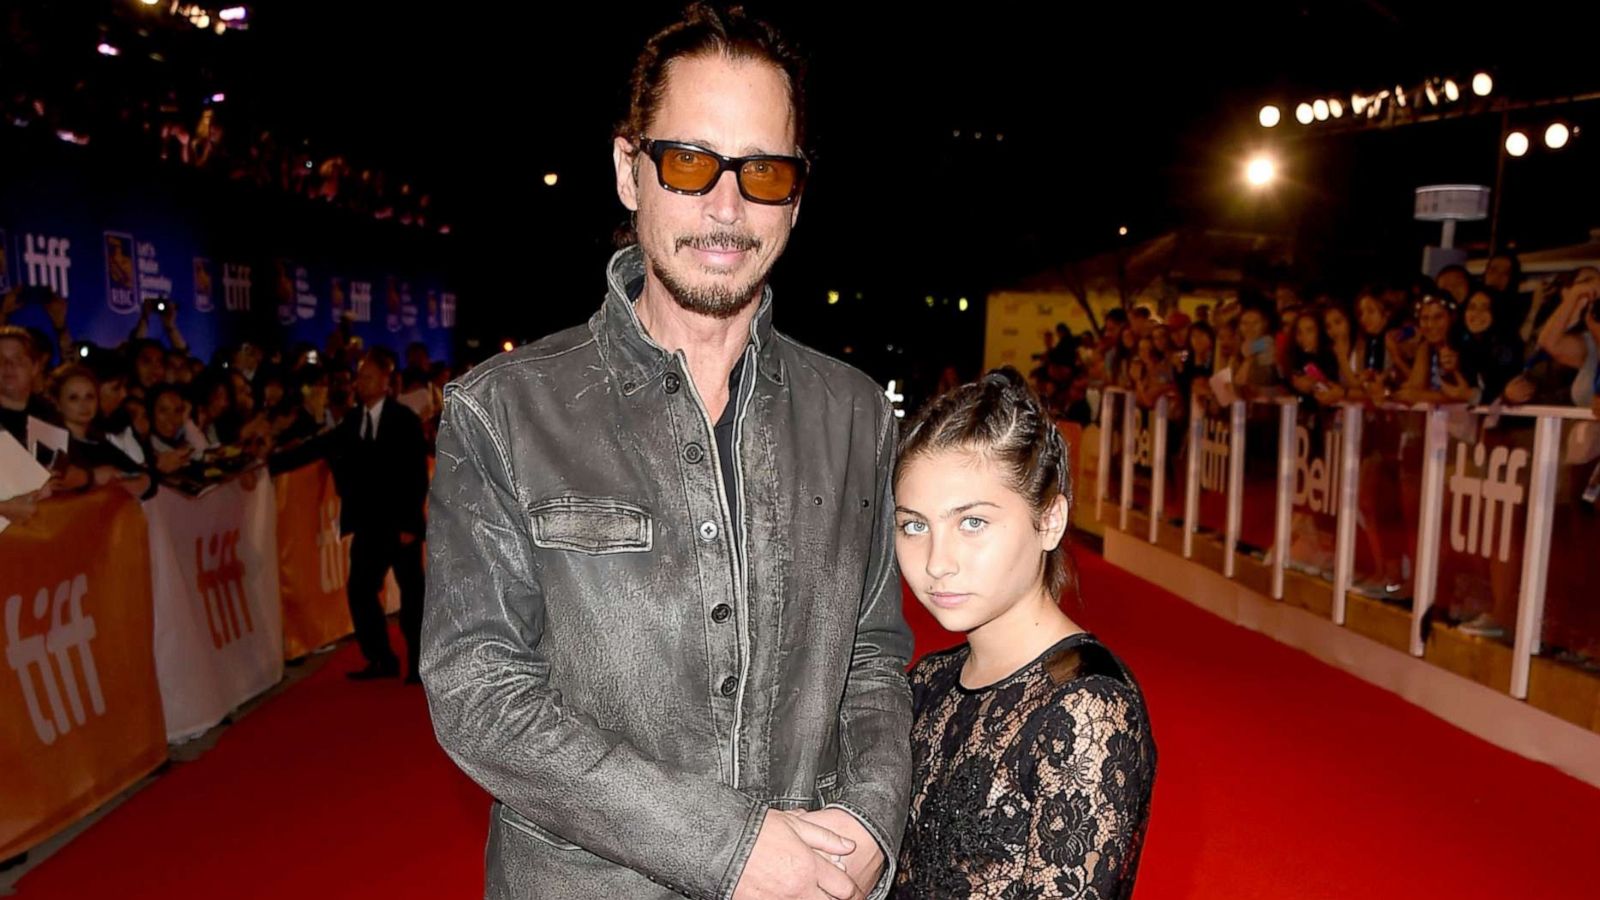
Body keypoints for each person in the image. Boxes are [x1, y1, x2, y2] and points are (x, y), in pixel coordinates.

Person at [420, 6, 913, 899]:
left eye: (763, 172)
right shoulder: (502, 412)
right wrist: (726, 846)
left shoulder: (855, 415)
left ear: (796, 195)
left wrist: (873, 818)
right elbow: (478, 690)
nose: (726, 208)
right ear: (627, 171)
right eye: (689, 163)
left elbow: (872, 655)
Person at [892, 369, 1156, 898]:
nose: (937, 563)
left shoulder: (1087, 709)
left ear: (1050, 520)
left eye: (972, 523)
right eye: (914, 525)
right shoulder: (928, 681)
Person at [330, 351, 429, 682]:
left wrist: (411, 525)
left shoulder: (405, 420)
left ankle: (419, 663)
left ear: (386, 382)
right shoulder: (351, 420)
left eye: (369, 377)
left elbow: (417, 476)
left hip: (400, 525)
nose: (361, 383)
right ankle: (380, 657)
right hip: (368, 525)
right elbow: (330, 451)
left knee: (413, 596)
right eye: (359, 377)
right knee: (359, 590)